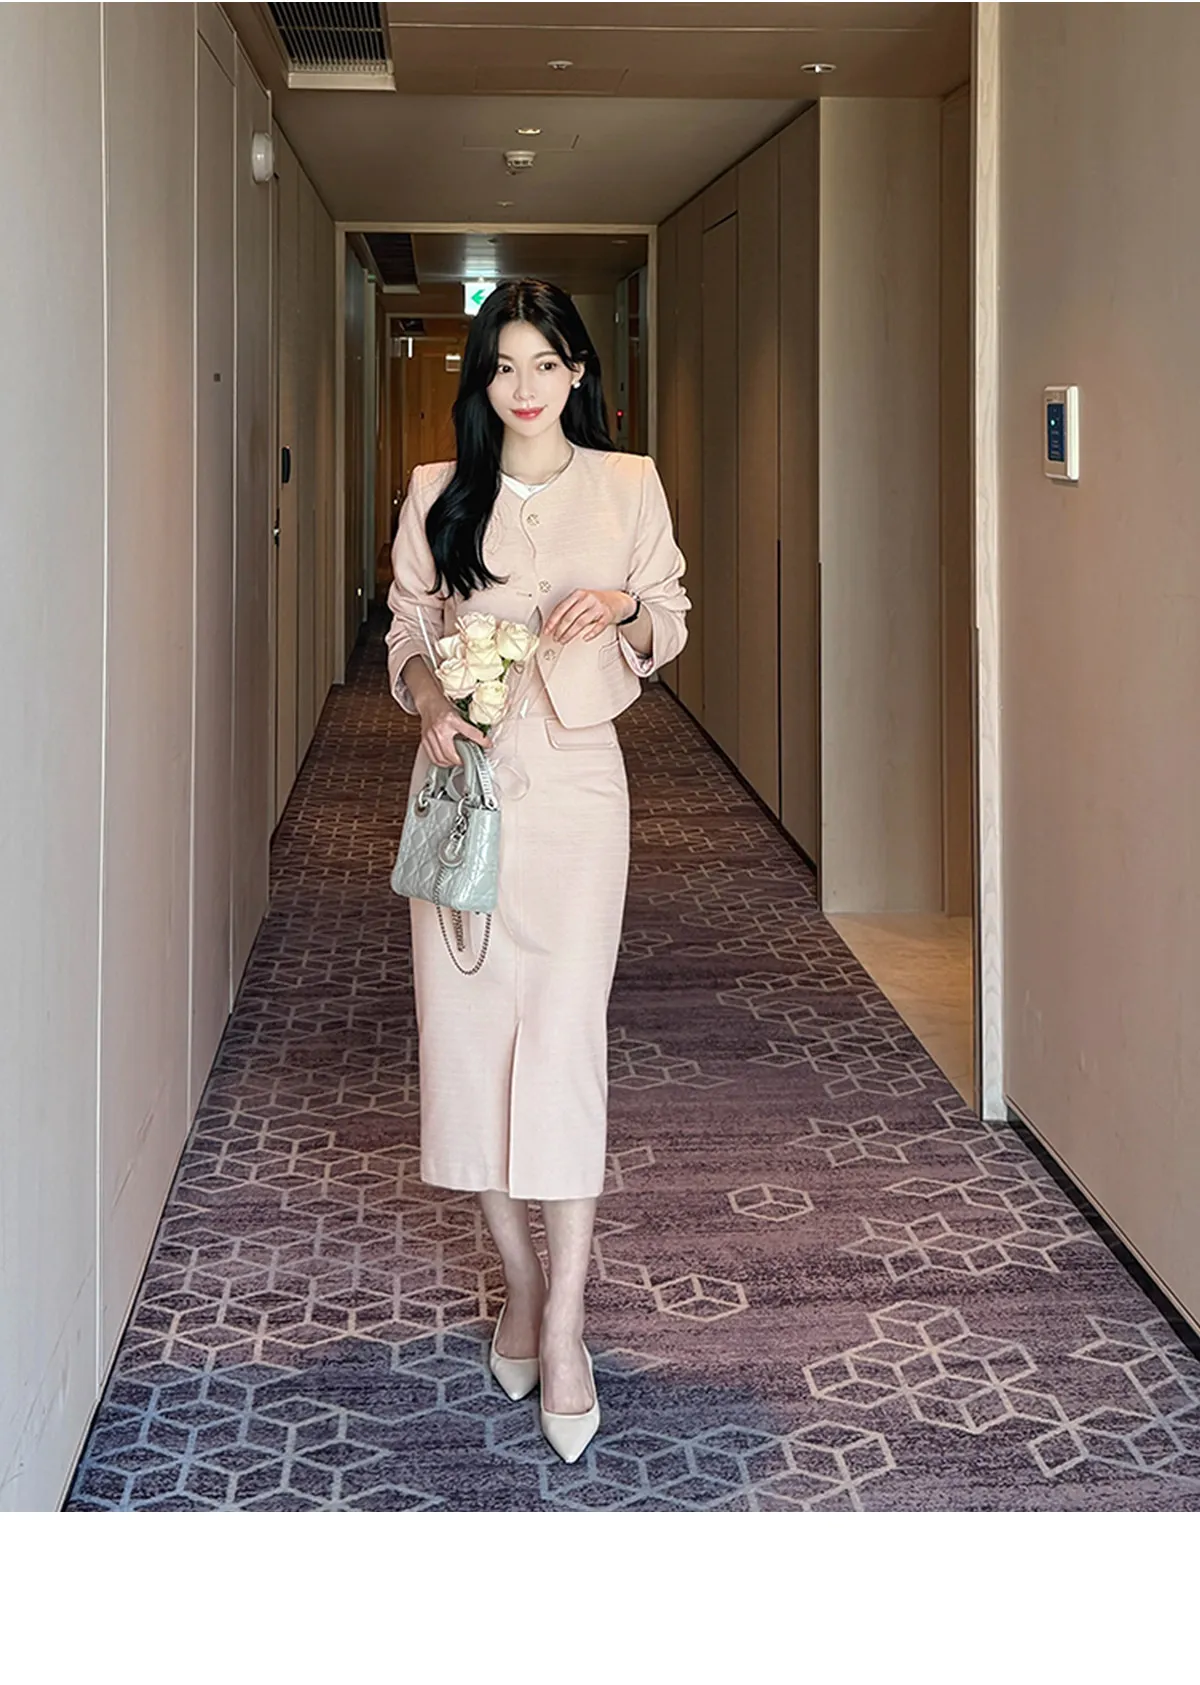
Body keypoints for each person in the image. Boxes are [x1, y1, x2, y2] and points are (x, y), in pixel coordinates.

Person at [385, 278, 689, 1463]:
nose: (525, 387)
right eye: (505, 364)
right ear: (483, 378)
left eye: (546, 364)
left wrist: (621, 604)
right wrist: (427, 702)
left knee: (561, 1042)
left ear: (577, 374)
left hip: (576, 792)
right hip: (462, 787)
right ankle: (518, 1277)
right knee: (469, 1045)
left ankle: (565, 1321)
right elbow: (409, 629)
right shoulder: (438, 491)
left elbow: (669, 617)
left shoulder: (628, 483)